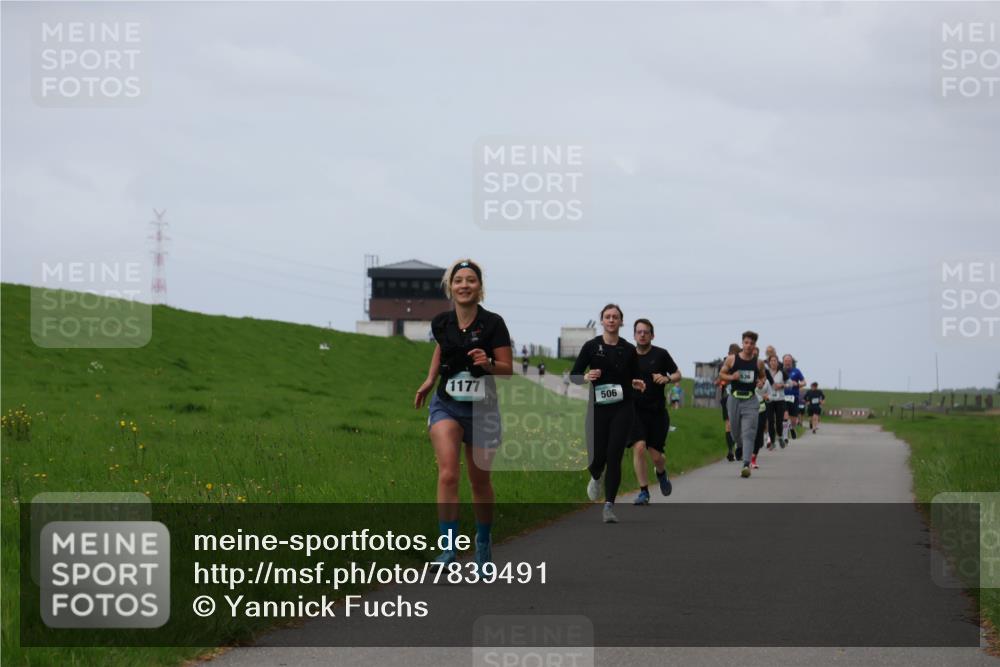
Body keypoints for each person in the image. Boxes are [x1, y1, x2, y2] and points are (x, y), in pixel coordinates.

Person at [414, 259, 513, 571]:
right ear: (450, 287)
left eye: (471, 280)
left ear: (479, 288)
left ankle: (482, 545)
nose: (464, 285)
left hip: (483, 409)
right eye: (459, 280)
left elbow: (507, 370)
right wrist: (430, 379)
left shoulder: (494, 323)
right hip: (447, 404)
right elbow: (442, 349)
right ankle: (448, 550)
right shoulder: (442, 322)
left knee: (479, 481)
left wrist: (487, 364)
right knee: (448, 473)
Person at [571, 304, 647, 523]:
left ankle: (609, 506)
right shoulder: (591, 346)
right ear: (602, 321)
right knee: (597, 457)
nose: (611, 320)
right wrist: (586, 377)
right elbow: (575, 375)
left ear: (621, 322)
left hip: (623, 408)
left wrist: (637, 382)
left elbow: (635, 376)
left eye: (615, 317)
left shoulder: (628, 349)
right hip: (598, 409)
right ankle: (596, 475)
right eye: (607, 317)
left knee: (614, 456)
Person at [628, 318, 680, 505]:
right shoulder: (628, 355)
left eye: (646, 332)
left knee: (657, 456)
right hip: (635, 411)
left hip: (657, 412)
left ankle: (661, 473)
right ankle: (644, 492)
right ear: (634, 335)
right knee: (639, 447)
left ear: (652, 335)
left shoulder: (661, 354)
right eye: (639, 332)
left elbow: (677, 374)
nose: (642, 335)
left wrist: (666, 378)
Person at [719, 331, 765, 478]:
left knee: (749, 432)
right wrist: (732, 376)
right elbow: (721, 374)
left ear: (755, 345)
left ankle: (746, 464)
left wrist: (760, 382)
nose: (749, 346)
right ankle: (739, 445)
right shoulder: (732, 360)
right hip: (734, 399)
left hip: (751, 400)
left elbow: (763, 377)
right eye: (746, 342)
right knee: (735, 430)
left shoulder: (758, 362)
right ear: (742, 343)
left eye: (752, 343)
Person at [719, 343, 740, 461]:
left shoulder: (724, 364)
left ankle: (733, 449)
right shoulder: (727, 365)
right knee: (731, 424)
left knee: (730, 425)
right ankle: (732, 450)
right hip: (731, 397)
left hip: (728, 396)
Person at [781, 354, 805, 441]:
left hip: (794, 397)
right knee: (785, 416)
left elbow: (804, 382)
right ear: (783, 362)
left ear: (792, 362)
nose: (787, 362)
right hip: (783, 397)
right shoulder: (780, 372)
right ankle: (785, 436)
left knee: (793, 420)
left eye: (789, 361)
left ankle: (791, 427)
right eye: (786, 361)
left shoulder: (797, 371)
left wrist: (798, 384)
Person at [766, 355, 787, 448]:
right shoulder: (766, 373)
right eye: (772, 360)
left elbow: (790, 383)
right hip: (769, 399)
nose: (773, 362)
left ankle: (780, 437)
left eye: (775, 360)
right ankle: (773, 442)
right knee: (770, 421)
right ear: (769, 362)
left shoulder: (782, 372)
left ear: (777, 363)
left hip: (780, 400)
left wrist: (782, 385)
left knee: (779, 421)